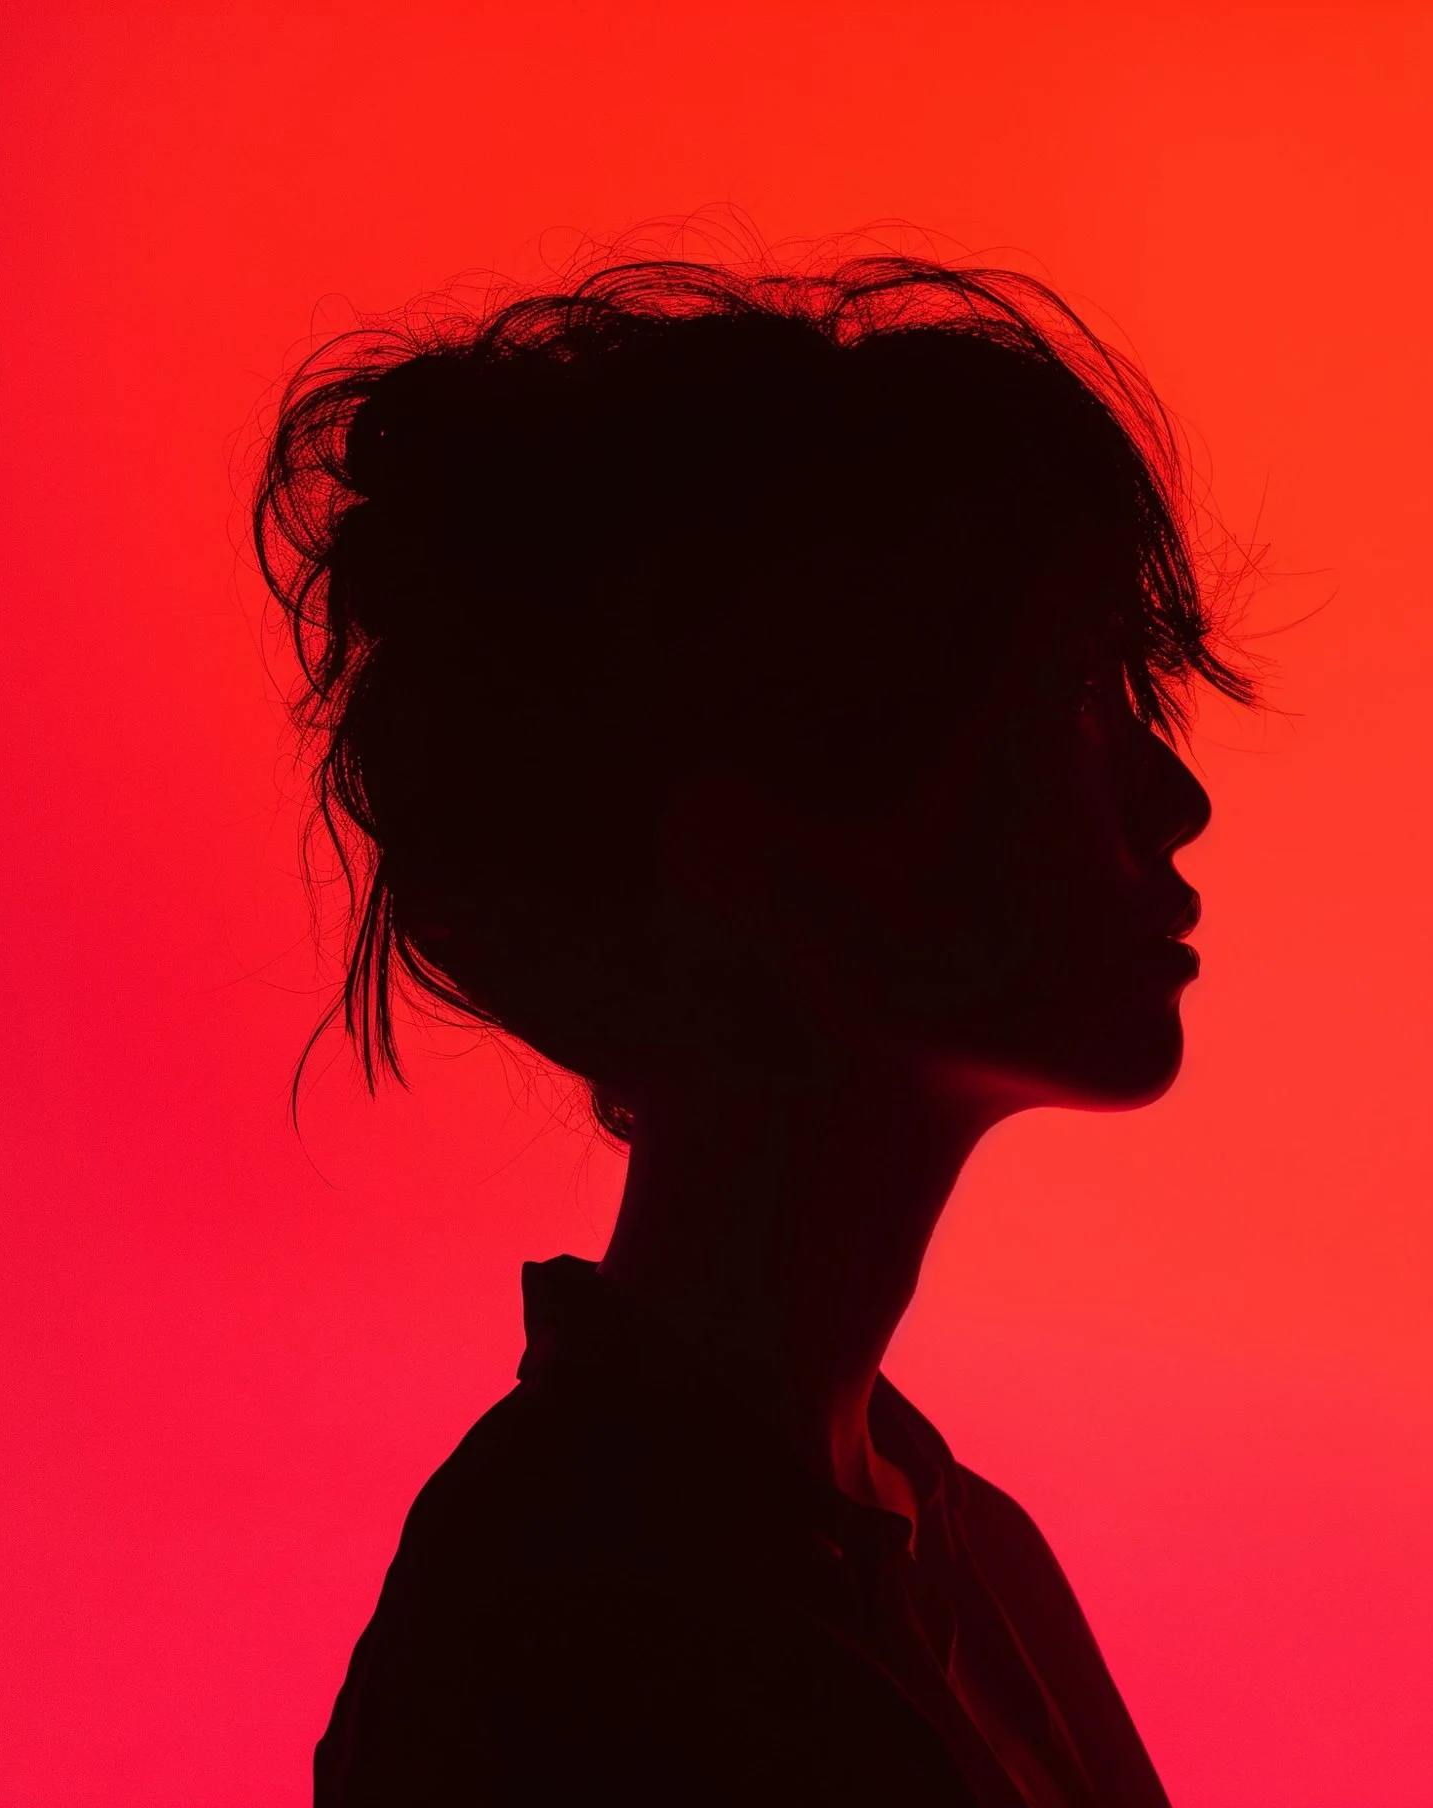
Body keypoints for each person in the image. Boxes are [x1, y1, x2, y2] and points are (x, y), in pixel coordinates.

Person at [254, 249, 1253, 1808]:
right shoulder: (582, 1631)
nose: (1175, 799)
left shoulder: (946, 1541)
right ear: (762, 861)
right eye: (1067, 694)